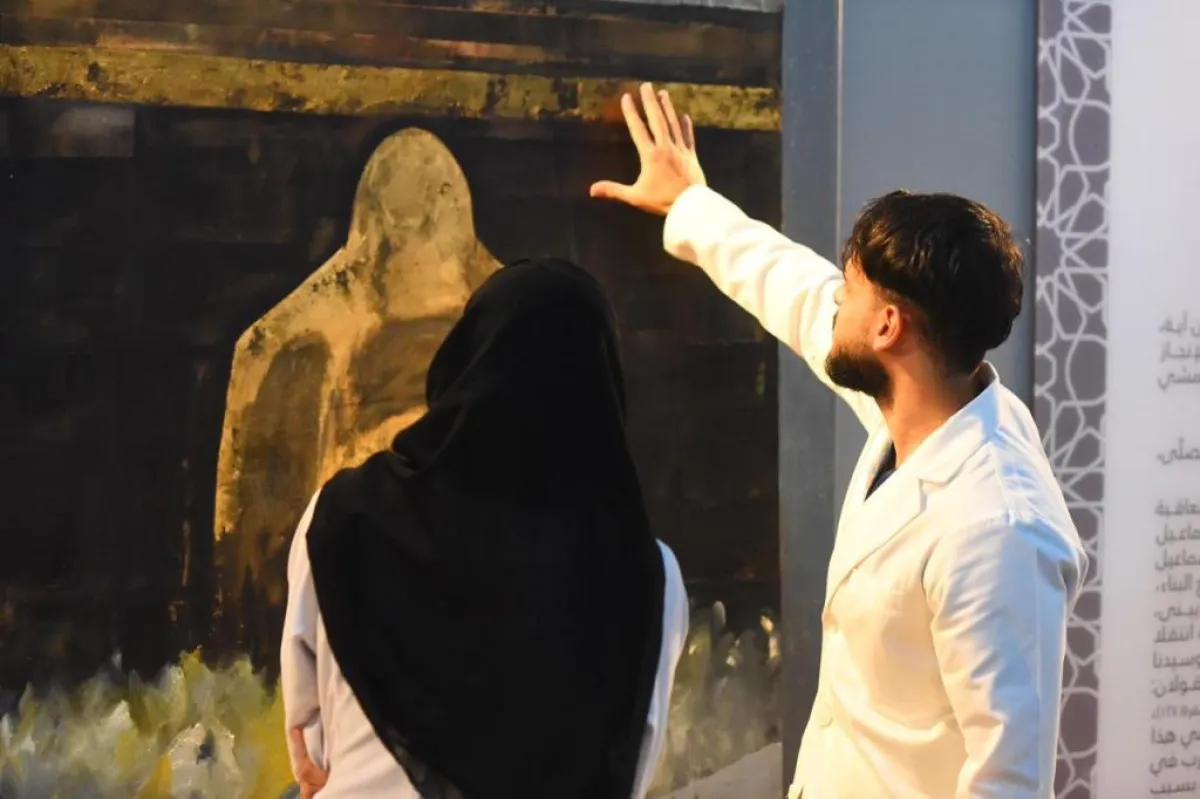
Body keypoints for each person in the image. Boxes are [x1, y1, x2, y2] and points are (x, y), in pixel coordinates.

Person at [590, 83, 1088, 798]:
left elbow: (1009, 780)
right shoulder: (920, 403)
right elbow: (797, 291)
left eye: (850, 292)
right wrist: (691, 203)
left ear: (889, 327)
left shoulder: (1001, 528)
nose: (835, 303)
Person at [280, 257, 689, 799]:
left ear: (464, 364)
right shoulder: (648, 574)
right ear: (603, 388)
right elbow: (631, 764)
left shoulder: (339, 517)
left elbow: (308, 746)